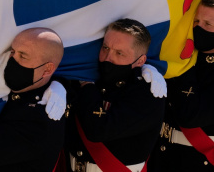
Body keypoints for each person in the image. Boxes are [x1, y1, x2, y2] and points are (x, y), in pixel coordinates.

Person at [148, 0, 214, 172]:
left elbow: (190, 116)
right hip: (162, 156)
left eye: (207, 24)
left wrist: (183, 66)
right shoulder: (182, 58)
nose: (198, 28)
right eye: (196, 22)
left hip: (197, 162)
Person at [67, 18, 165, 172]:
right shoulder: (93, 74)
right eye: (105, 48)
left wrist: (86, 85)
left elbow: (99, 130)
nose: (108, 58)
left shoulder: (148, 92)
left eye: (119, 53)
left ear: (140, 61)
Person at [0, 27, 66, 171]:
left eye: (23, 56)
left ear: (47, 69)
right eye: (12, 52)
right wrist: (60, 84)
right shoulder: (43, 91)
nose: (12, 61)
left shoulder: (38, 123)